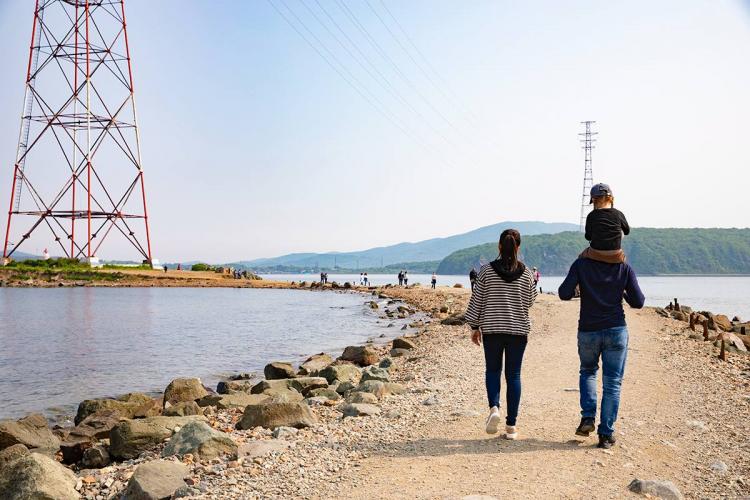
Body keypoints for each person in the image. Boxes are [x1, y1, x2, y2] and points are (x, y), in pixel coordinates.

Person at [558, 247, 644, 449]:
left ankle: (588, 417)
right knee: (612, 382)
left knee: (588, 372)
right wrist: (622, 292)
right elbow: (638, 302)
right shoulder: (623, 267)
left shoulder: (581, 264)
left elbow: (564, 293)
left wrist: (582, 286)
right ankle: (605, 434)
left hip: (588, 330)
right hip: (616, 329)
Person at [465, 229, 537, 439]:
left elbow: (477, 300)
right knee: (513, 375)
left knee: (493, 370)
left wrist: (474, 326)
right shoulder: (526, 273)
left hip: (493, 329)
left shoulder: (486, 271)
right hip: (518, 331)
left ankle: (494, 408)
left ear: (499, 246)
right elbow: (531, 300)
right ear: (518, 247)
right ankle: (511, 426)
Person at [582, 183, 630, 263]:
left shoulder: (591, 215)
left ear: (593, 200)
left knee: (580, 258)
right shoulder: (618, 214)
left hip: (595, 254)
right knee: (621, 231)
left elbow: (588, 237)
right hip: (616, 255)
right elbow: (627, 231)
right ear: (611, 199)